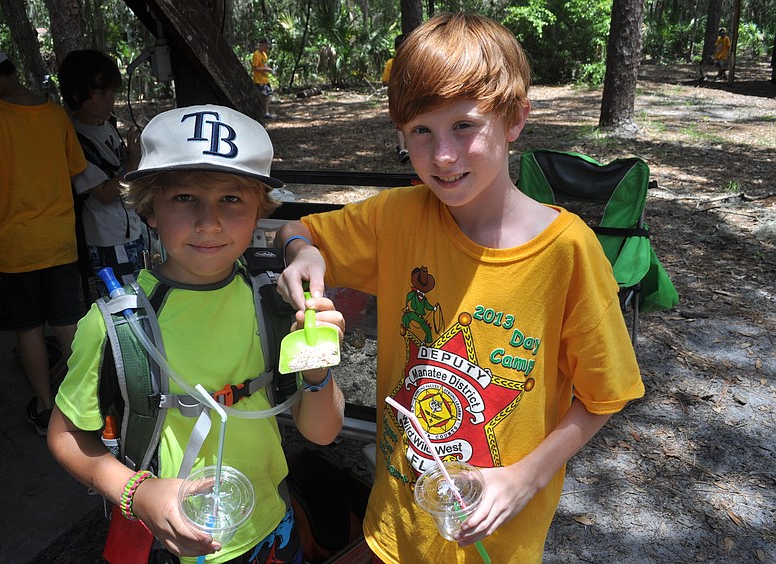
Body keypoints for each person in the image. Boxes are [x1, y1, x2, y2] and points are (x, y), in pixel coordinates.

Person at [275, 13, 644, 563]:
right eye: (421, 131)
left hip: (499, 537)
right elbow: (296, 228)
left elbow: (603, 397)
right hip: (396, 521)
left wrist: (523, 478)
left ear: (515, 118)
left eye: (464, 126)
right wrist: (301, 251)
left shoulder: (569, 251)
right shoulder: (396, 217)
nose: (442, 157)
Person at [48, 104, 346, 563]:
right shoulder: (115, 323)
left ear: (257, 213)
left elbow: (321, 434)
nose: (209, 221)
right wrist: (136, 494)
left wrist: (317, 370)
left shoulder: (271, 301)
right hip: (169, 543)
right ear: (150, 209)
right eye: (185, 198)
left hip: (271, 521)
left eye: (232, 199)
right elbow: (66, 434)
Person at [0, 44, 87, 436]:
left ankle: (46, 408)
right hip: (59, 240)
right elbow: (75, 171)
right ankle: (84, 406)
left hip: (14, 248)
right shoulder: (55, 113)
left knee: (28, 328)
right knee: (67, 324)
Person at [58, 49, 146, 295]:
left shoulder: (105, 124)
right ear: (77, 96)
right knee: (124, 302)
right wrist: (131, 166)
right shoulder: (75, 139)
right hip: (108, 238)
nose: (111, 100)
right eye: (102, 93)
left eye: (112, 92)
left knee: (141, 293)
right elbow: (104, 194)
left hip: (129, 227)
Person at [382, 34, 409, 164]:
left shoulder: (413, 62)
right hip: (397, 97)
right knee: (399, 124)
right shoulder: (391, 63)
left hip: (411, 97)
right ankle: (403, 150)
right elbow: (385, 81)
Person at [252, 38, 275, 119]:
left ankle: (266, 112)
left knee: (268, 95)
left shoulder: (264, 55)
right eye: (265, 47)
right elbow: (255, 68)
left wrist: (269, 70)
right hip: (259, 80)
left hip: (265, 79)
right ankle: (261, 113)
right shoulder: (256, 54)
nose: (266, 49)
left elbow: (264, 66)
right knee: (262, 96)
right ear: (261, 45)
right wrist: (265, 69)